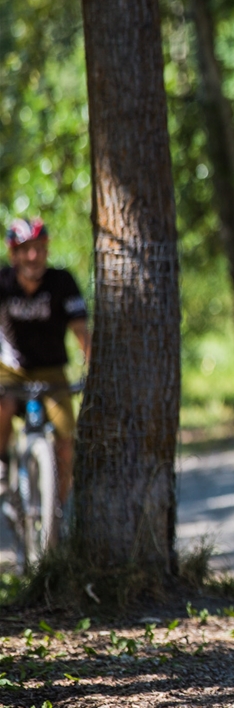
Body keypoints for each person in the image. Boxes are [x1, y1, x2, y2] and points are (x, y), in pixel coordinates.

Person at [0, 218, 90, 531]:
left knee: (66, 438)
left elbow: (81, 331)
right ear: (14, 254)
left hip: (52, 373)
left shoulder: (62, 282)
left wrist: (93, 367)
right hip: (11, 370)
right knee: (4, 406)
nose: (33, 257)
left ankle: (58, 512)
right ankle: (1, 465)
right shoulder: (3, 283)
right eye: (26, 250)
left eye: (39, 249)